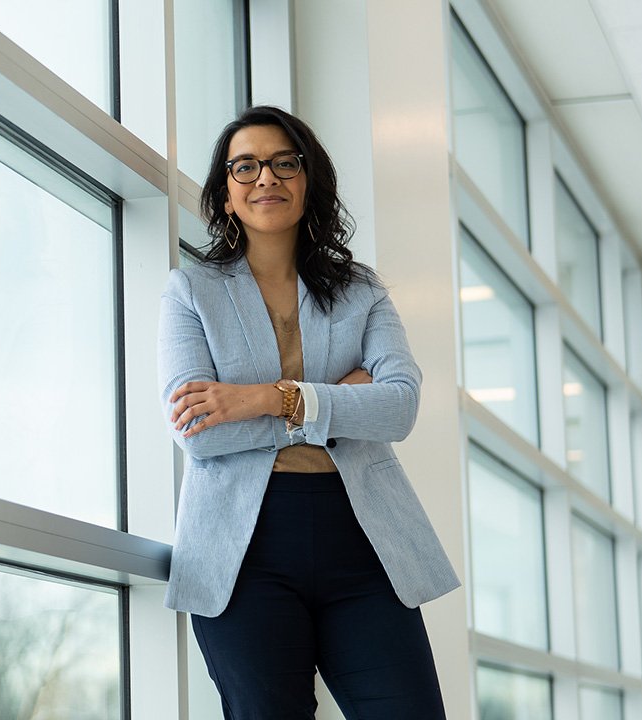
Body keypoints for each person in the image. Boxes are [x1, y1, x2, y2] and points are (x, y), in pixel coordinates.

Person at [158, 105, 460, 719]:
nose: (265, 177)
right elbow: (200, 435)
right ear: (226, 191)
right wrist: (342, 397)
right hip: (243, 553)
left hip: (364, 541)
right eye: (245, 166)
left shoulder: (362, 290)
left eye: (283, 163)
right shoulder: (190, 292)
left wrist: (262, 397)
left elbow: (398, 407)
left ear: (308, 178)